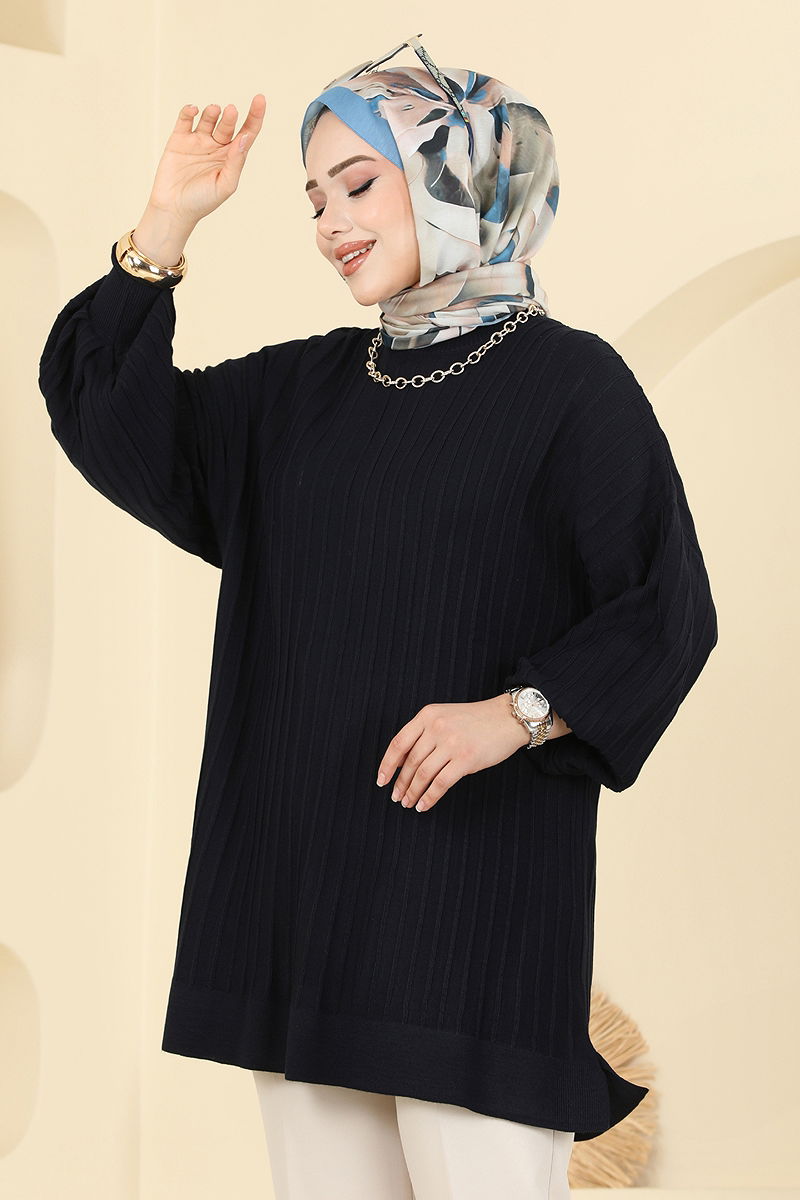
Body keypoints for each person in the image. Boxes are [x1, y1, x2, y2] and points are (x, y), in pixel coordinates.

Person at [38, 38, 718, 1199]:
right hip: (300, 910)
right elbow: (106, 416)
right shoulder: (297, 396)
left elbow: (666, 607)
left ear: (459, 175)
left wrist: (517, 713)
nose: (328, 222)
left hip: (471, 918)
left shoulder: (570, 385)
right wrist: (166, 223)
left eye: (357, 183)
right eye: (312, 198)